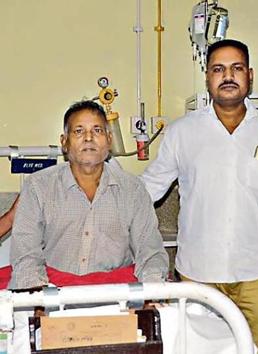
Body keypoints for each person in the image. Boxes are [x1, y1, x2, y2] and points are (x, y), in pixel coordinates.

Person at [141, 39, 258, 354]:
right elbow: (148, 189)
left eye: (236, 68)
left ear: (250, 75)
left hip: (256, 276)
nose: (227, 76)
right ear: (208, 78)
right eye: (218, 69)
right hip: (197, 277)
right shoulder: (182, 132)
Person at [9, 101, 168, 289]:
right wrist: (38, 302)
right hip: (53, 294)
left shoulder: (133, 190)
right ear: (64, 142)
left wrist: (151, 295)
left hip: (116, 297)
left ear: (109, 140)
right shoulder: (38, 187)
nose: (89, 138)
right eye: (78, 131)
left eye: (97, 130)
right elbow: (26, 255)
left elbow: (150, 253)